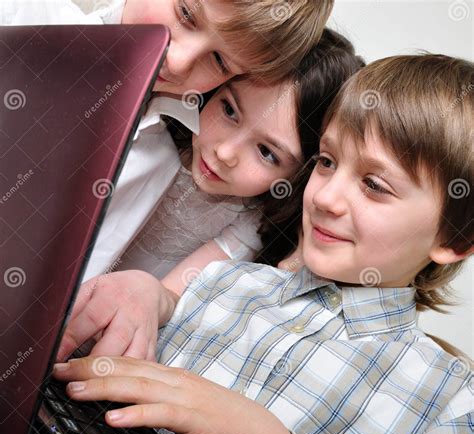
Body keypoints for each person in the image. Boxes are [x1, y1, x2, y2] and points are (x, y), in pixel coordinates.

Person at [54, 53, 473, 434]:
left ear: (455, 241)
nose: (325, 197)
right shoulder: (228, 282)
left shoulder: (451, 397)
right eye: (327, 162)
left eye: (374, 186)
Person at [57, 29, 365, 361]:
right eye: (230, 110)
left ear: (299, 176)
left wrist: (148, 294)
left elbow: (169, 294)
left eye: (266, 152)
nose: (226, 152)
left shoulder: (249, 220)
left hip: (105, 334)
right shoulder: (153, 124)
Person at [1, 0, 334, 282]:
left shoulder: (156, 163)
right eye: (186, 14)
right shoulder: (19, 17)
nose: (178, 61)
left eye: (219, 61)